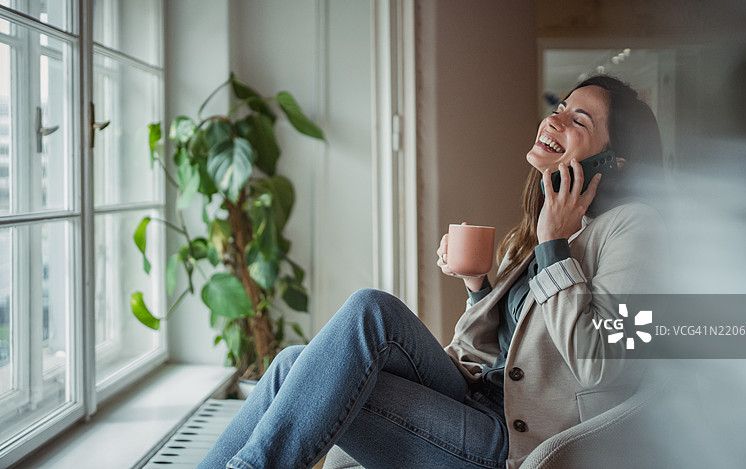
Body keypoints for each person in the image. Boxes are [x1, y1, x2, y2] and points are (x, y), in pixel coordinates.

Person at [198, 75, 664, 469]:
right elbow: (500, 352)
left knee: (302, 370)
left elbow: (600, 360)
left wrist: (553, 247)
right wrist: (478, 286)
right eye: (560, 107)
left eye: (578, 120)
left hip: (513, 439)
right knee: (337, 332)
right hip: (477, 396)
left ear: (614, 163)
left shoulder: (632, 228)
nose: (554, 119)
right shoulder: (554, 221)